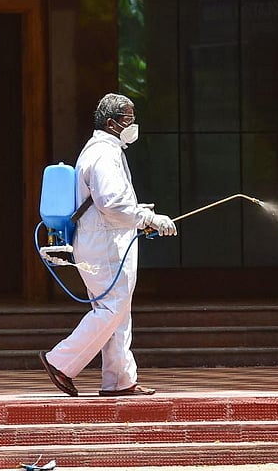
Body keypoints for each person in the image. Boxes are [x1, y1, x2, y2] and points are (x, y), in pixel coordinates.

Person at [39, 93, 177, 397]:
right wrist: (148, 218)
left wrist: (142, 216)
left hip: (103, 242)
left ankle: (120, 381)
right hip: (105, 245)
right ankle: (60, 361)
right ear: (112, 123)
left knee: (117, 311)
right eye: (128, 119)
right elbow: (112, 203)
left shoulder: (105, 150)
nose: (133, 124)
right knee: (112, 309)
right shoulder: (104, 153)